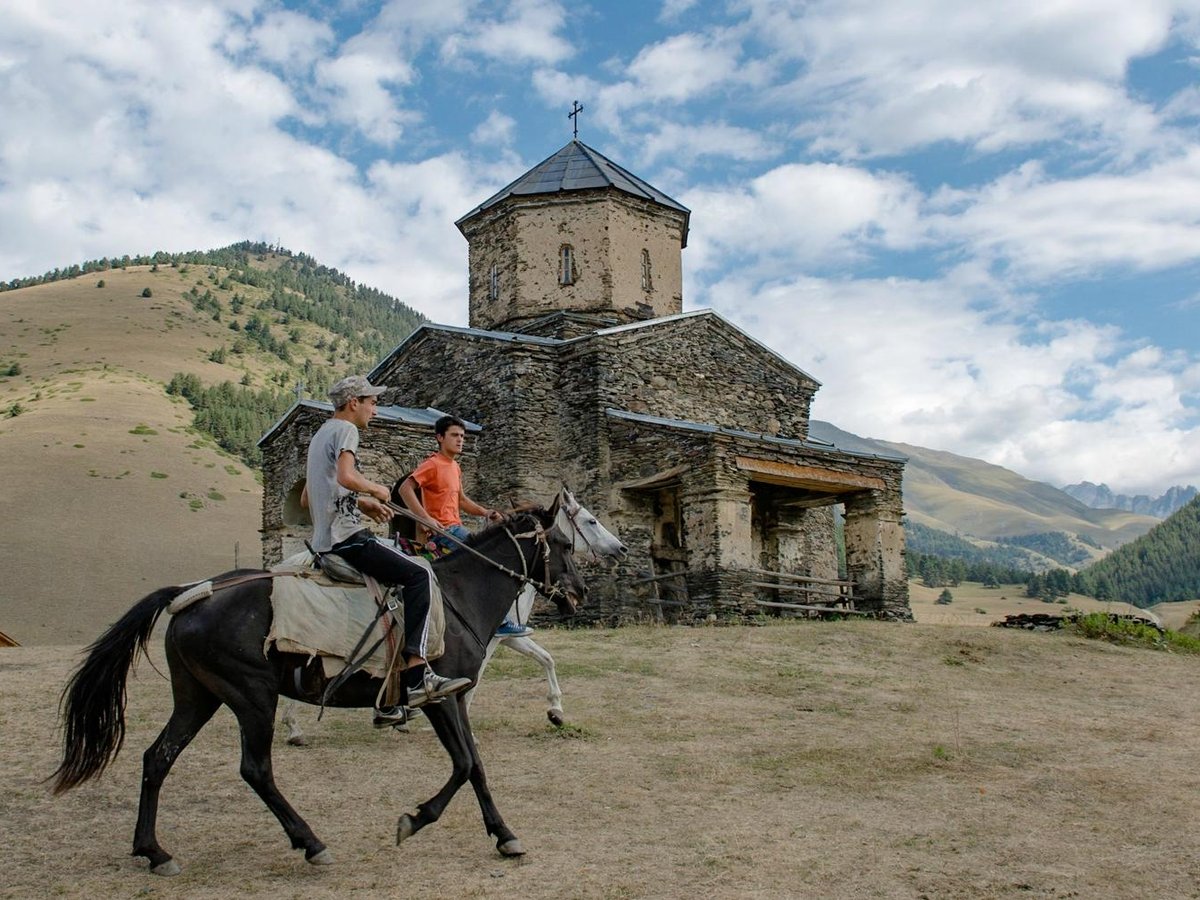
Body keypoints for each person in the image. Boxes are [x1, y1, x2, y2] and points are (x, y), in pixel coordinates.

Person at [303, 375, 471, 727]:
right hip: (347, 541)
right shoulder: (347, 431)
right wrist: (377, 488)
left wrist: (362, 504)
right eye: (372, 403)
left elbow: (309, 498)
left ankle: (387, 697)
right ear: (353, 403)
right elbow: (348, 476)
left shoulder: (320, 435)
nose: (375, 410)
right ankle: (417, 677)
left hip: (326, 539)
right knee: (420, 574)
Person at [398, 414, 534, 639]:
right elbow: (405, 488)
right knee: (486, 560)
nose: (460, 440)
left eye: (462, 436)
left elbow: (461, 500)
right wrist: (424, 519)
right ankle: (499, 621)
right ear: (440, 437)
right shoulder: (432, 464)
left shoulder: (455, 467)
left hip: (455, 527)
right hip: (444, 532)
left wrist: (485, 512)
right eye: (454, 435)